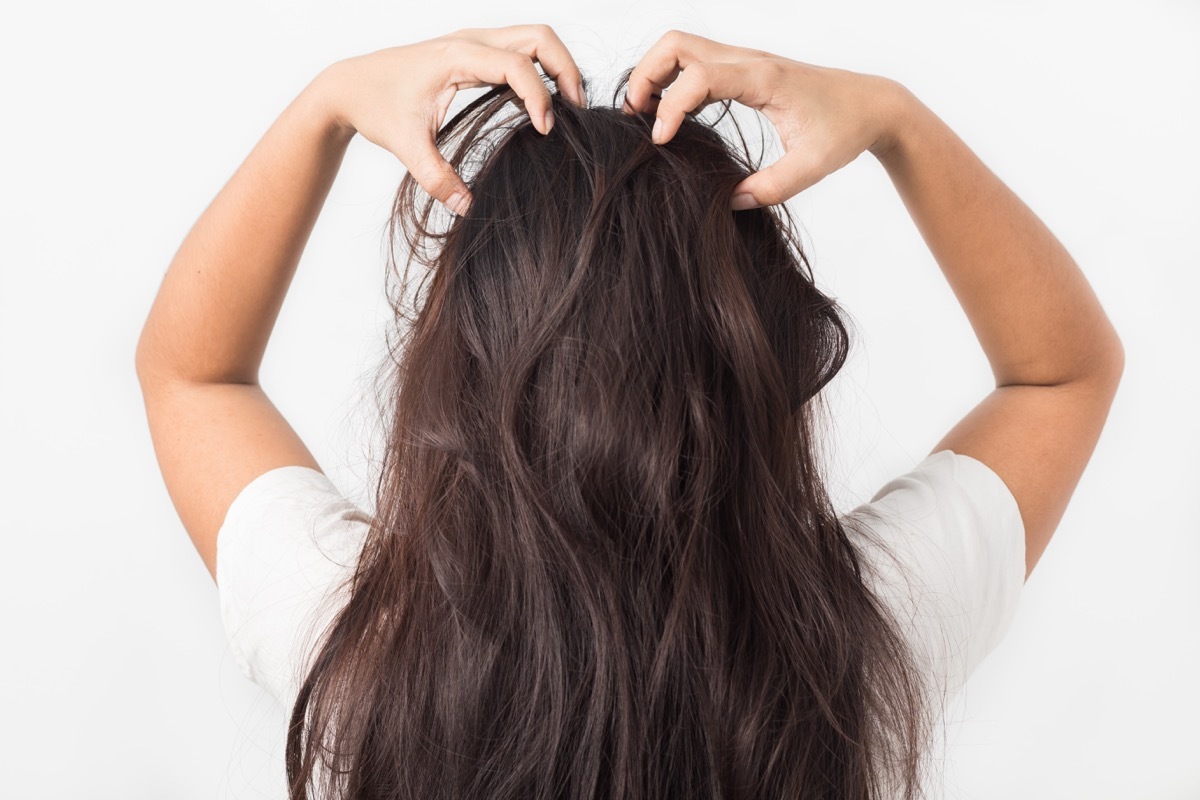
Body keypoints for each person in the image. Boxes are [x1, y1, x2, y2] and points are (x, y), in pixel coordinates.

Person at [135, 24, 1124, 800]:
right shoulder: (848, 654)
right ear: (753, 370)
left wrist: (325, 104)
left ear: (459, 371)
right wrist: (899, 121)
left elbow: (193, 374)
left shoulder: (370, 657)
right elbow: (1061, 374)